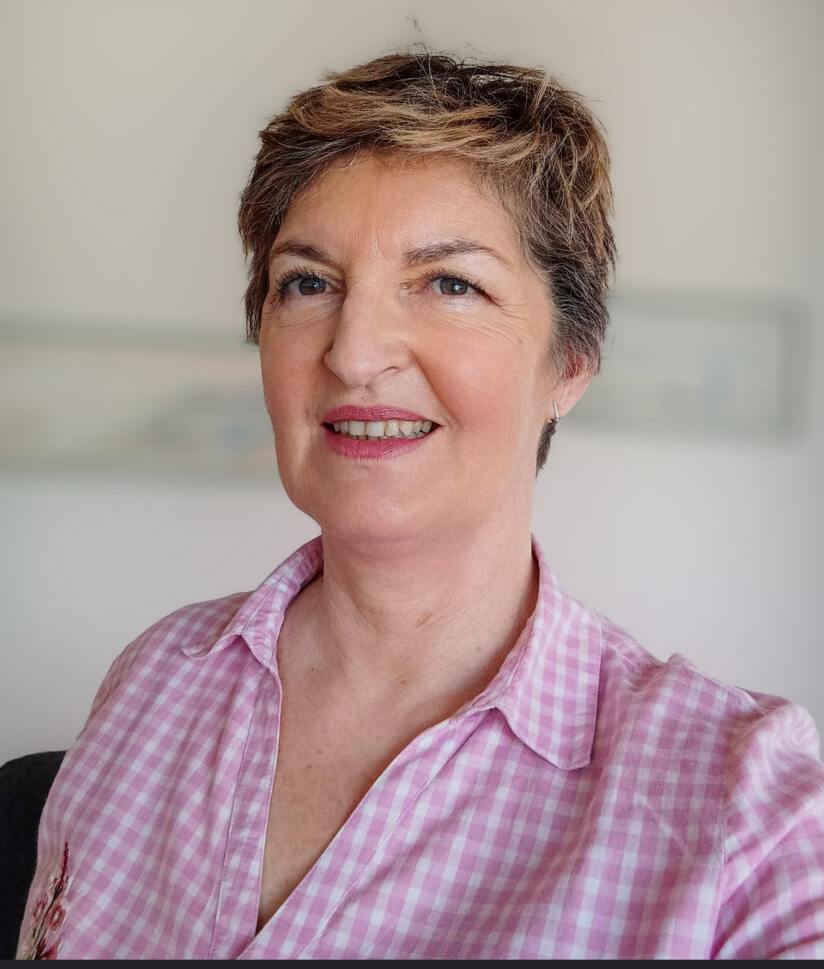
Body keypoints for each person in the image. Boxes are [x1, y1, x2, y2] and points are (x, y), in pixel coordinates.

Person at [17, 52, 824, 960]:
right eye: (308, 282)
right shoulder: (153, 676)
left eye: (450, 283)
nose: (354, 353)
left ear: (568, 366)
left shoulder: (745, 806)